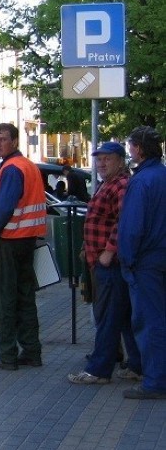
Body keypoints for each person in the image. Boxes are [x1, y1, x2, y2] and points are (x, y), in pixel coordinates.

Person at [68, 142, 141, 385]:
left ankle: (98, 370)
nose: (101, 164)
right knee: (122, 317)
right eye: (98, 160)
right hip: (102, 261)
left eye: (107, 159)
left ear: (120, 161)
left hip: (111, 263)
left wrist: (108, 252)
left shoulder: (120, 184)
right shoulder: (107, 183)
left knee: (109, 317)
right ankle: (137, 365)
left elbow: (124, 221)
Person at [0, 123, 47, 370]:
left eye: (3, 139)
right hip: (27, 241)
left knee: (2, 299)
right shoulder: (28, 166)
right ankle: (32, 352)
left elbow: (5, 207)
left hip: (9, 241)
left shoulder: (11, 169)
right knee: (25, 297)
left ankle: (7, 356)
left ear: (15, 141)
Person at [117, 126, 166, 400]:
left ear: (140, 149)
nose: (130, 150)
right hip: (160, 254)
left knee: (149, 321)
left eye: (131, 145)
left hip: (146, 261)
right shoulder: (162, 175)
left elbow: (132, 228)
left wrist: (127, 258)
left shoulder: (142, 181)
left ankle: (155, 381)